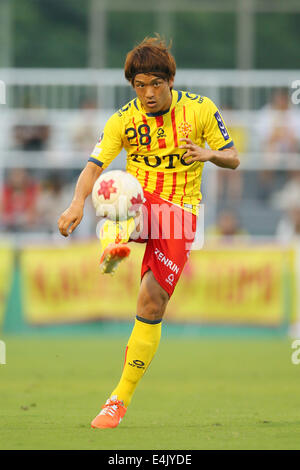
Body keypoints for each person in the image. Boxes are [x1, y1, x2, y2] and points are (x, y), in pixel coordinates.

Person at [58, 36, 239, 429]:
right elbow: (93, 166)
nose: (148, 93)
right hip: (140, 204)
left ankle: (116, 402)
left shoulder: (201, 110)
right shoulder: (123, 119)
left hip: (180, 215)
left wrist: (210, 155)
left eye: (155, 83)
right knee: (117, 183)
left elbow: (234, 156)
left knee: (152, 305)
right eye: (139, 85)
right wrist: (76, 202)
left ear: (170, 80)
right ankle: (113, 244)